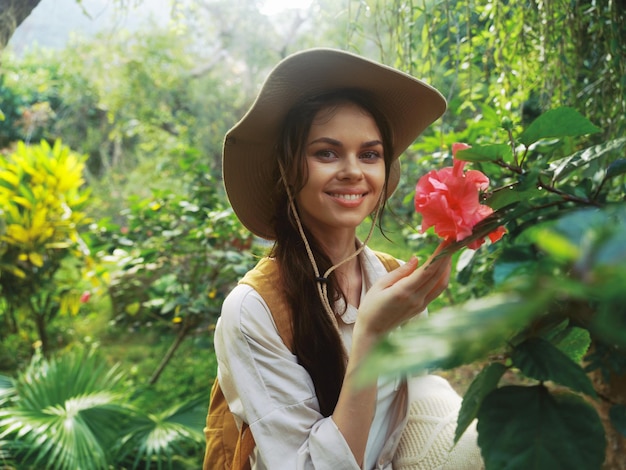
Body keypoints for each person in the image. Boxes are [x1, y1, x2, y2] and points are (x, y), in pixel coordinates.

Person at [209, 48, 483, 469]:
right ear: (287, 170)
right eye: (327, 153)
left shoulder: (389, 277)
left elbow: (408, 409)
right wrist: (371, 334)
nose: (353, 171)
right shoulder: (254, 310)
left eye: (369, 154)